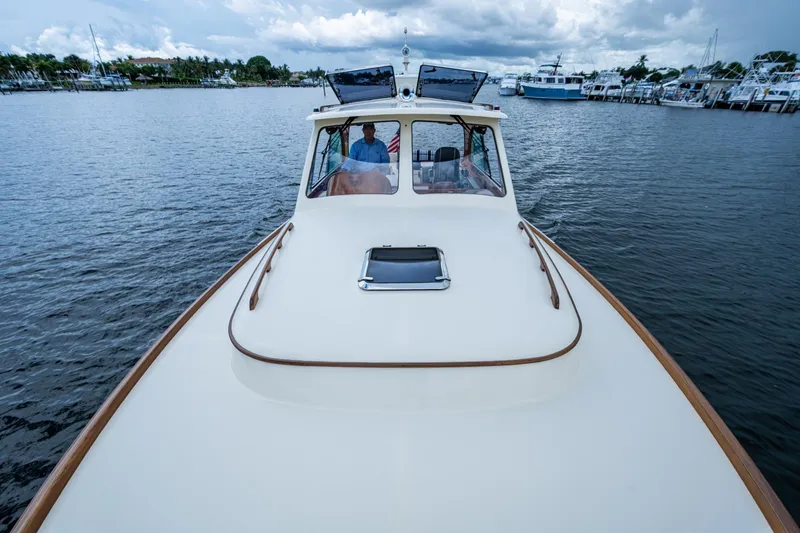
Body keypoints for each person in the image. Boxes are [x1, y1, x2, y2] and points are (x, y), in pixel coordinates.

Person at [331, 123, 392, 195]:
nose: (368, 131)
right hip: (359, 180)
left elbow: (385, 164)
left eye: (370, 129)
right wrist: (342, 172)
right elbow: (350, 162)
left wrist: (379, 174)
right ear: (363, 130)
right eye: (366, 129)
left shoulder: (381, 146)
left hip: (375, 179)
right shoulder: (356, 146)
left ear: (374, 130)